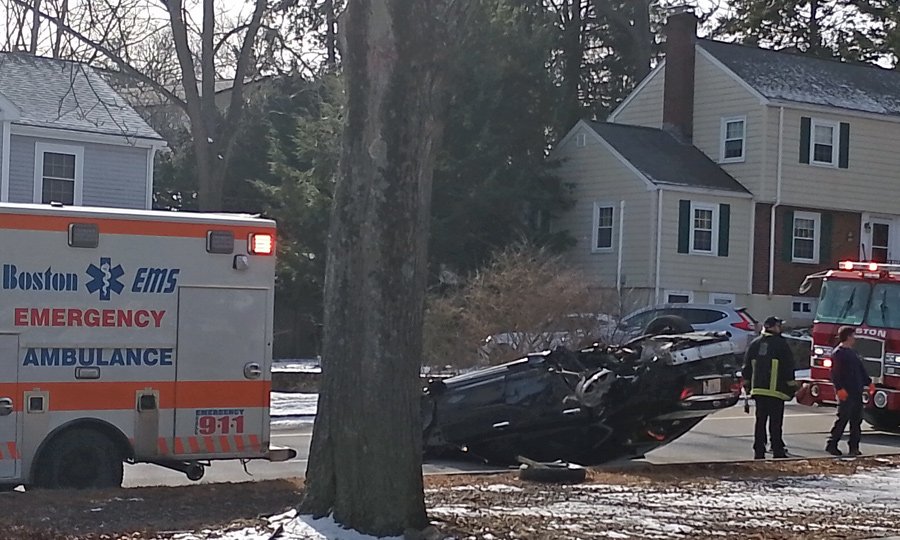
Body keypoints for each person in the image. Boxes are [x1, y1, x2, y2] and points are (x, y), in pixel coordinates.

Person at [743, 316, 796, 459]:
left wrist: (747, 386)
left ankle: (759, 450)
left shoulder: (754, 344)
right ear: (772, 327)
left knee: (760, 421)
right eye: (779, 326)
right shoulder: (781, 344)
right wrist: (792, 387)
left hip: (758, 391)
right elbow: (788, 367)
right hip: (776, 391)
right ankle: (777, 449)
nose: (780, 328)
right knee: (775, 422)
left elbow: (746, 367)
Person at [827, 326, 874, 457]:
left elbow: (860, 370)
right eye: (853, 336)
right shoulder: (838, 353)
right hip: (846, 392)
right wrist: (839, 389)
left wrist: (869, 382)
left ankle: (854, 447)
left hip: (857, 391)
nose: (855, 338)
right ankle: (832, 444)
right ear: (847, 337)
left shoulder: (853, 353)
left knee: (856, 421)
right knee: (843, 419)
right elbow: (835, 374)